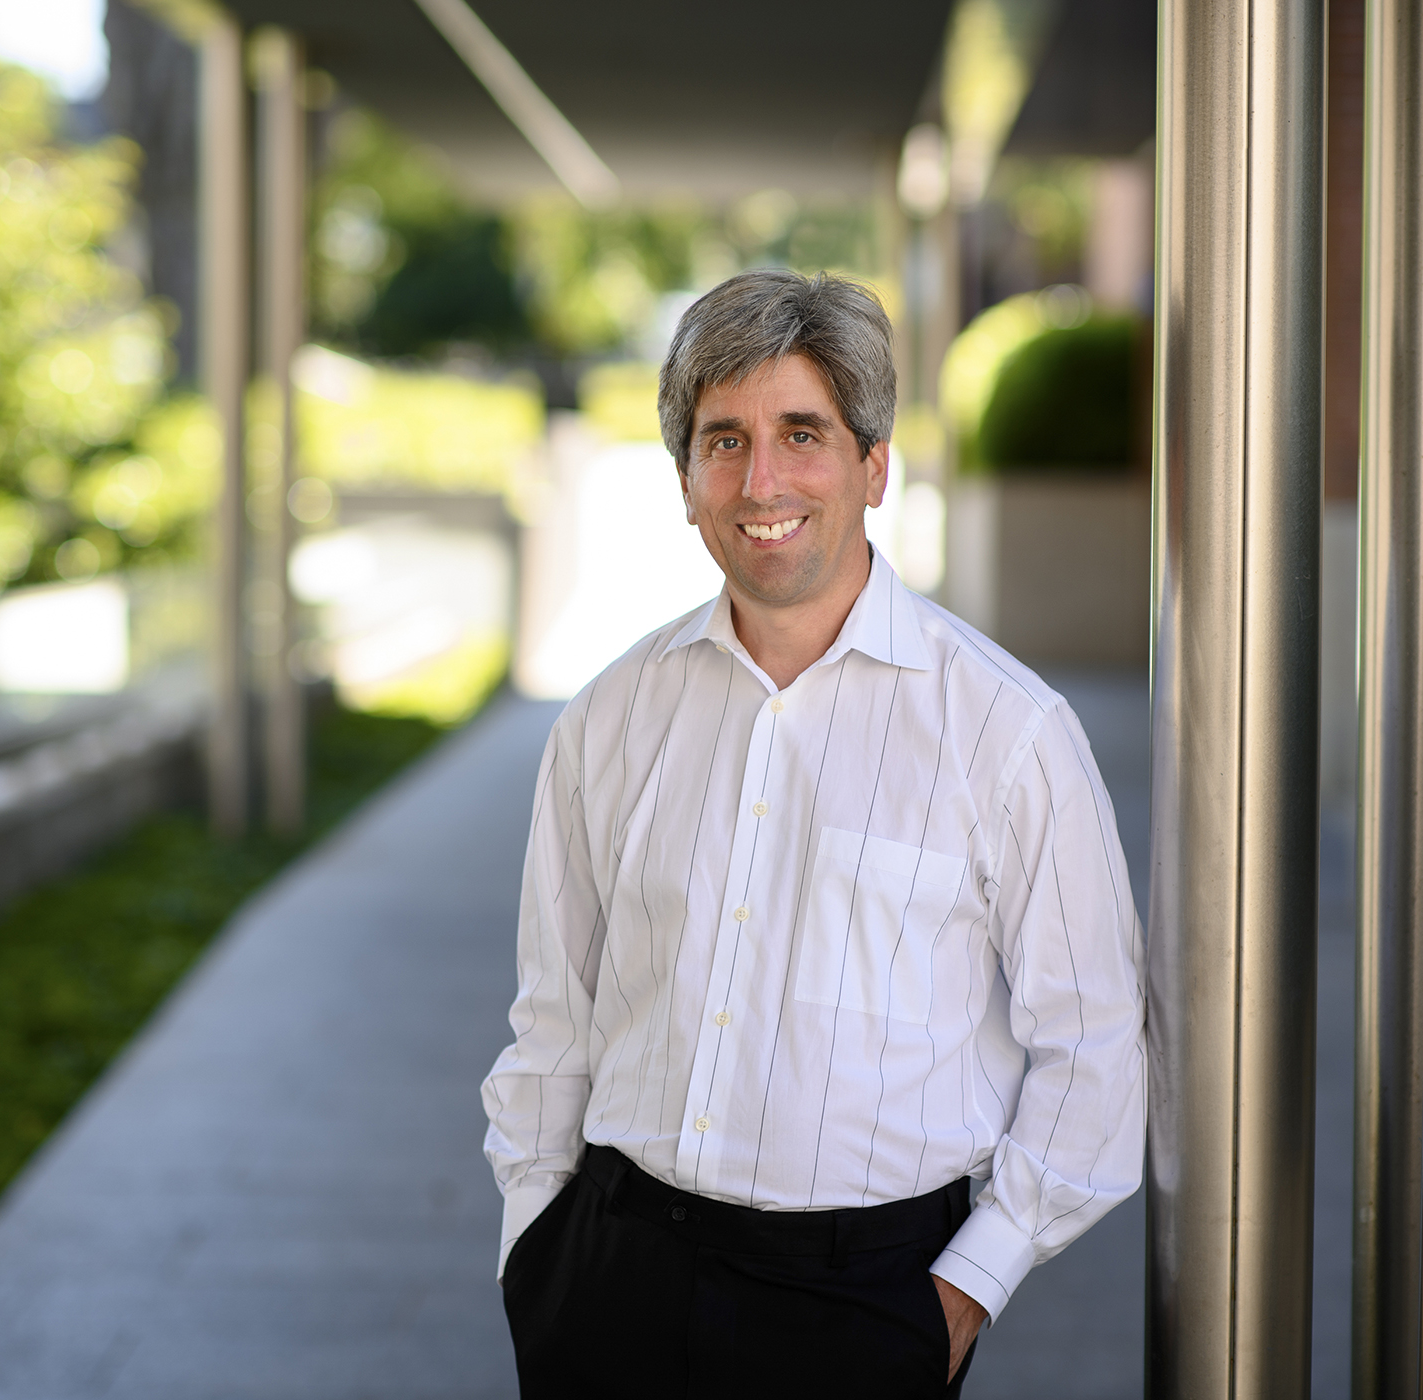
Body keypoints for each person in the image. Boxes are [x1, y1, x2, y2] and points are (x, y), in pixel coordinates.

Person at [482, 269, 1145, 1399]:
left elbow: (1095, 1046)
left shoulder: (1006, 728)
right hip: (612, 1273)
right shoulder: (608, 715)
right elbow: (556, 1018)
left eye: (803, 432)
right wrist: (534, 1254)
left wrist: (958, 1294)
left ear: (872, 465)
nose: (762, 479)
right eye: (723, 441)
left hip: (864, 1301)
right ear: (687, 481)